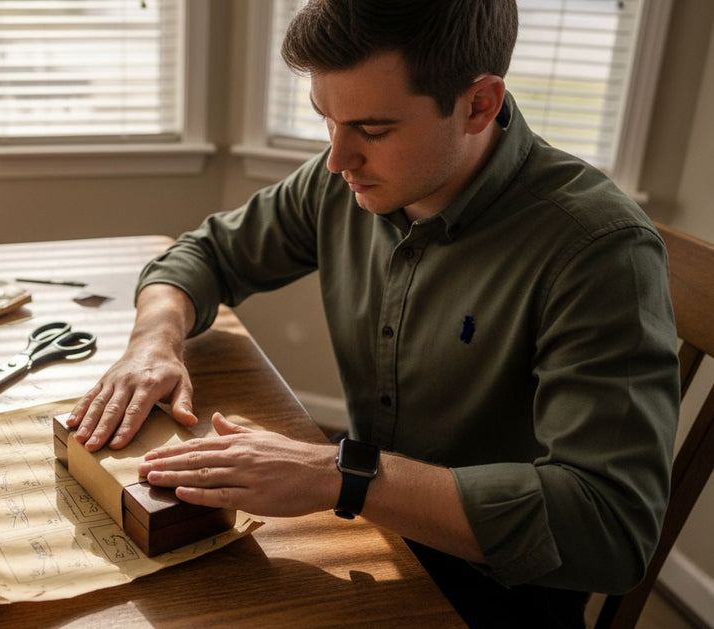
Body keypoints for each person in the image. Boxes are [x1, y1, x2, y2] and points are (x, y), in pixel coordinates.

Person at [67, 1, 680, 626]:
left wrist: (344, 475)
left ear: (479, 104)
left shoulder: (599, 251)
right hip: (362, 529)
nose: (338, 159)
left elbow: (611, 529)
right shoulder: (341, 181)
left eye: (374, 130)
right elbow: (208, 252)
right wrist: (154, 341)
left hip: (489, 598)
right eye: (326, 120)